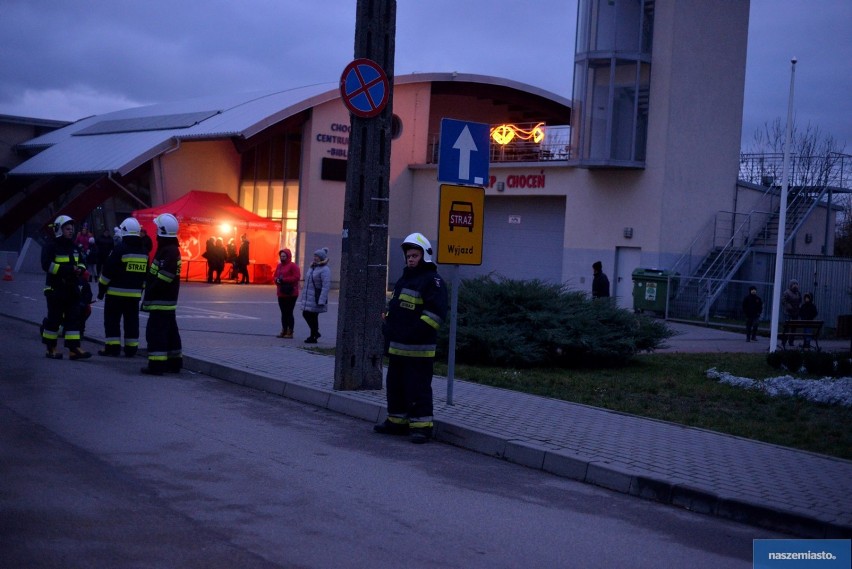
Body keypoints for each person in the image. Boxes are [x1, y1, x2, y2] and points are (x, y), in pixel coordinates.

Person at [374, 233, 448, 444]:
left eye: (415, 255)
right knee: (395, 386)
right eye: (408, 256)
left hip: (419, 349)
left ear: (424, 256)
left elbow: (435, 314)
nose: (411, 259)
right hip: (398, 347)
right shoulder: (405, 278)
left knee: (418, 388)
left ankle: (422, 427)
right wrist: (388, 321)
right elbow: (397, 307)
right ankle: (396, 422)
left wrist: (413, 331)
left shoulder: (432, 281)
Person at [40, 215, 92, 360]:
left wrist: (80, 269)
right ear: (58, 229)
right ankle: (51, 348)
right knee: (54, 320)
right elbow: (46, 265)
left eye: (72, 228)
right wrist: (69, 270)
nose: (71, 231)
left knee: (73, 319)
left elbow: (82, 262)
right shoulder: (51, 246)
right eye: (67, 229)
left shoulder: (74, 246)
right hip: (56, 289)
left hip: (72, 289)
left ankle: (74, 349)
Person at [97, 217, 149, 357]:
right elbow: (145, 276)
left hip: (115, 295)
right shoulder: (144, 252)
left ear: (124, 231)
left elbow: (107, 272)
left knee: (112, 321)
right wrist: (140, 290)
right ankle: (131, 349)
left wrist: (101, 290)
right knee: (132, 322)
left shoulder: (119, 249)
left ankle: (113, 349)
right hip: (134, 297)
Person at [140, 213, 183, 375]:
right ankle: (174, 362)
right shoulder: (169, 249)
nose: (156, 231)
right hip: (165, 301)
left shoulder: (169, 251)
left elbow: (164, 277)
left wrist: (150, 291)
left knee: (156, 332)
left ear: (162, 231)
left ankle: (157, 365)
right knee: (170, 331)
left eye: (158, 228)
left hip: (161, 300)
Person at [301, 247, 331, 343]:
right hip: (309, 296)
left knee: (311, 315)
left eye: (317, 256)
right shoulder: (313, 267)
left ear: (321, 258)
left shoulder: (325, 269)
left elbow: (326, 286)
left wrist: (322, 300)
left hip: (316, 297)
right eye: (314, 256)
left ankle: (313, 335)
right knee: (309, 315)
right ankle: (314, 334)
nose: (315, 258)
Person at [273, 248, 301, 339]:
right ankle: (284, 329)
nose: (282, 258)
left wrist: (284, 280)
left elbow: (296, 277)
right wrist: (277, 280)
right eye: (281, 256)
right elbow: (275, 276)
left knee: (289, 312)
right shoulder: (279, 266)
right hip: (281, 292)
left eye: (284, 256)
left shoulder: (293, 266)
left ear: (288, 256)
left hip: (291, 293)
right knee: (283, 312)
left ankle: (290, 331)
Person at [781, 279, 802, 347]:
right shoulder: (786, 292)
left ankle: (791, 341)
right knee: (786, 327)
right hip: (788, 313)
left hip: (795, 312)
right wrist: (788, 306)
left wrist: (799, 307)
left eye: (796, 284)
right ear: (790, 285)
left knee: (794, 328)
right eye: (793, 284)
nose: (795, 285)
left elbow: (800, 300)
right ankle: (784, 340)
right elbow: (783, 301)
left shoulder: (798, 293)